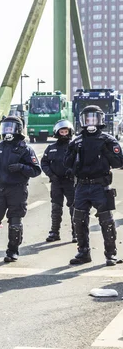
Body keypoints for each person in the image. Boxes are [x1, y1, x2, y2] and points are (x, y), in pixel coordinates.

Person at [64, 105, 123, 266]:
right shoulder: (77, 141)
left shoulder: (108, 140)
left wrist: (106, 151)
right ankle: (83, 252)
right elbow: (67, 163)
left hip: (100, 186)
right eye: (87, 119)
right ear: (82, 121)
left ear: (100, 120)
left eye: (93, 118)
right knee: (79, 220)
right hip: (82, 186)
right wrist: (72, 157)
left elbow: (119, 162)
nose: (90, 122)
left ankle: (111, 254)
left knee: (106, 221)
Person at [0, 116, 41, 263]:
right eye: (5, 127)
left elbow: (36, 170)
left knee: (15, 223)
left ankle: (12, 251)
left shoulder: (25, 148)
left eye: (10, 127)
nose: (7, 131)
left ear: (18, 129)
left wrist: (21, 167)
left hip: (17, 190)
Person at [41, 120, 76, 243]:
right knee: (56, 208)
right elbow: (44, 163)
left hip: (70, 182)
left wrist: (73, 171)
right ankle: (54, 232)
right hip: (56, 182)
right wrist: (50, 174)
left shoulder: (74, 146)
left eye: (66, 131)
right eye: (62, 131)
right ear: (57, 132)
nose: (64, 134)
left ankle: (76, 232)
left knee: (74, 207)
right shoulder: (51, 148)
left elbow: (80, 162)